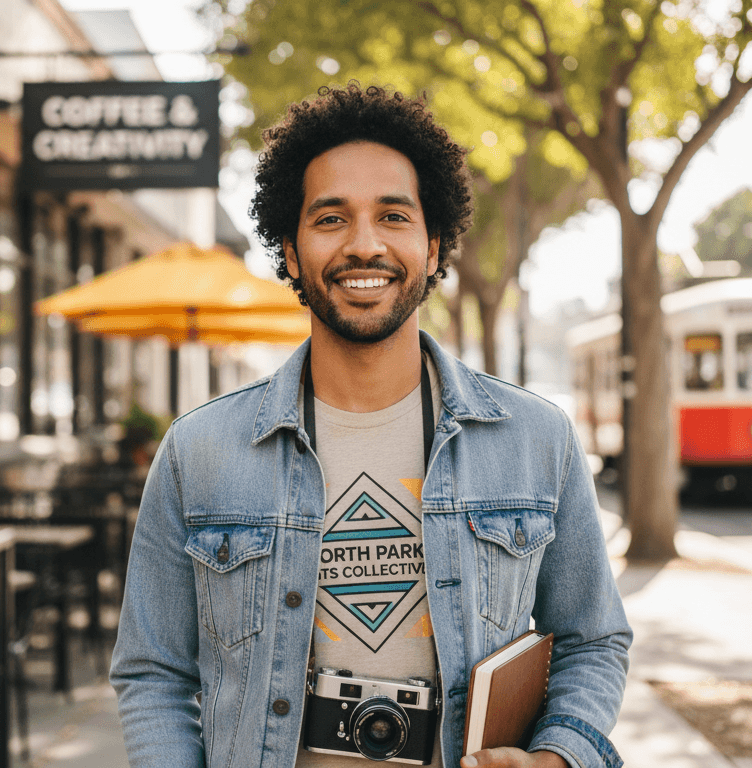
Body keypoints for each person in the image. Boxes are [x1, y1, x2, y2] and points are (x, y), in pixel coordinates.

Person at [111, 83, 631, 768]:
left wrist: (557, 758)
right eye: (330, 219)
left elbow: (592, 640)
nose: (364, 245)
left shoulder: (537, 441)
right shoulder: (199, 452)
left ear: (434, 243)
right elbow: (153, 671)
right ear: (291, 252)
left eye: (393, 216)